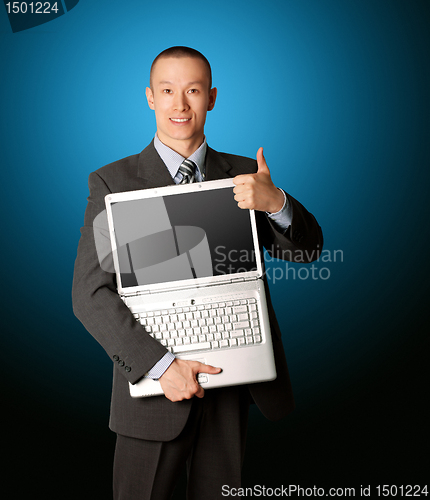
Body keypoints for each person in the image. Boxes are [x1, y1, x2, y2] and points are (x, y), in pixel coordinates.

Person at [72, 46, 323, 500]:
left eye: (193, 90)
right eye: (167, 90)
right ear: (150, 97)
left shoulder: (246, 173)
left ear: (211, 98)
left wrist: (277, 203)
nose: (180, 104)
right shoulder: (113, 181)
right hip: (154, 383)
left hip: (232, 373)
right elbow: (89, 292)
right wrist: (161, 366)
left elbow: (307, 253)